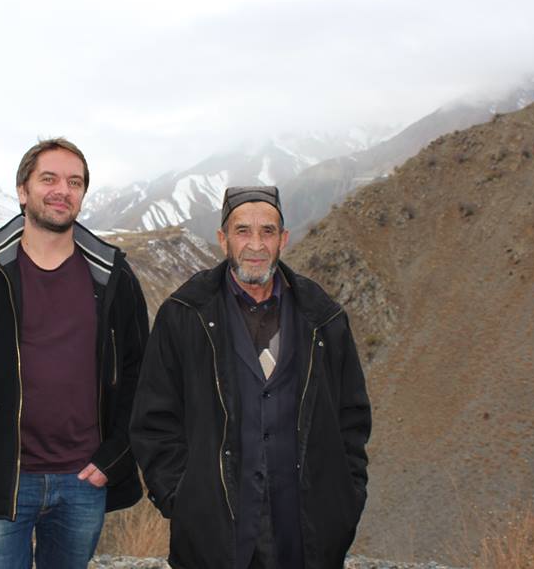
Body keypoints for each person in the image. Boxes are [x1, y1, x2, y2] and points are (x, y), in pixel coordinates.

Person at [0, 138, 149, 569]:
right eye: (49, 179)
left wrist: (116, 455)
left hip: (83, 481)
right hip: (0, 479)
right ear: (23, 190)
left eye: (74, 182)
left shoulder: (113, 276)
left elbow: (140, 376)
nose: (62, 190)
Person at [130, 186, 371, 569]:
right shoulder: (184, 314)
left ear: (283, 239)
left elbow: (352, 419)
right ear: (223, 238)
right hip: (213, 538)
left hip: (306, 537)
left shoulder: (322, 317)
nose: (256, 245)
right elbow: (153, 420)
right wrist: (182, 499)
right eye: (243, 231)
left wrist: (345, 500)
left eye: (267, 232)